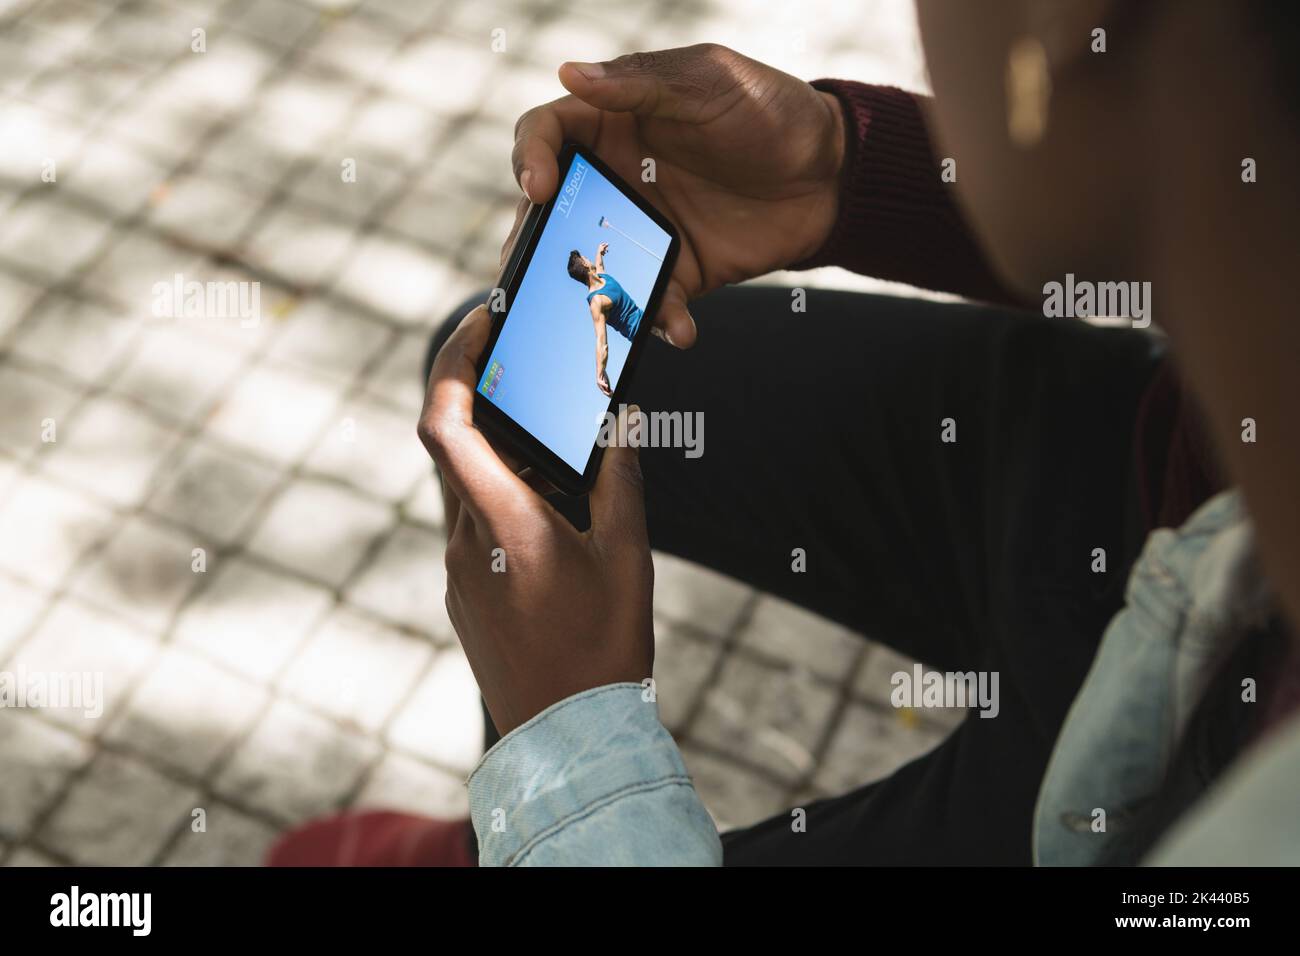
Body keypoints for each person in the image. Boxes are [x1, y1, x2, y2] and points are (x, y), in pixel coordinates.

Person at [268, 0, 1300, 866]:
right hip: (1152, 461)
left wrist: (572, 758)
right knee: (514, 411)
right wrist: (845, 167)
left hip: (1151, 766)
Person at [567, 241, 644, 396]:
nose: (590, 259)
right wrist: (599, 373)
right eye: (586, 258)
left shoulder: (602, 276)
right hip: (641, 336)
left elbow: (599, 264)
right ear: (585, 265)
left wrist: (599, 252)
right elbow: (601, 342)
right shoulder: (596, 301)